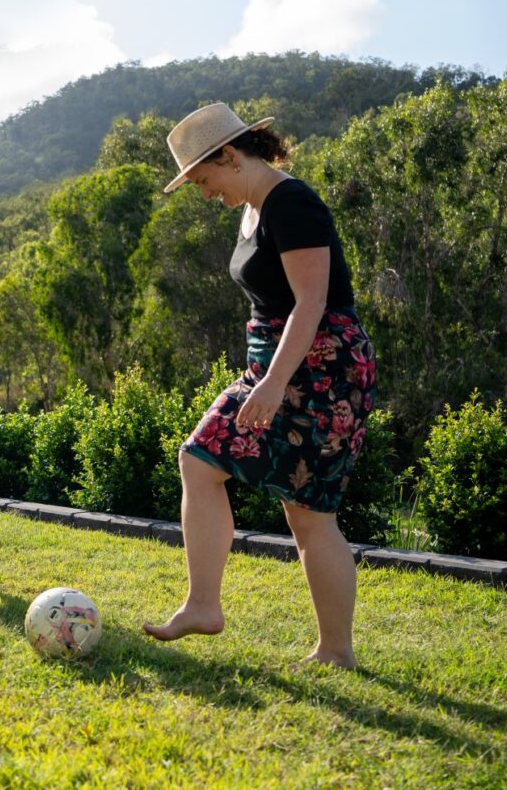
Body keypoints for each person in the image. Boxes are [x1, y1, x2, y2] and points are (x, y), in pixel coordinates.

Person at [142, 104, 376, 669]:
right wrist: (264, 374)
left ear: (230, 155)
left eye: (204, 179)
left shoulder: (290, 202)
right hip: (271, 368)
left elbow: (312, 301)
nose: (204, 193)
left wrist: (273, 382)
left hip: (321, 371)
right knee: (198, 461)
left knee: (310, 514)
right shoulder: (252, 207)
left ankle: (335, 651)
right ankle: (203, 605)